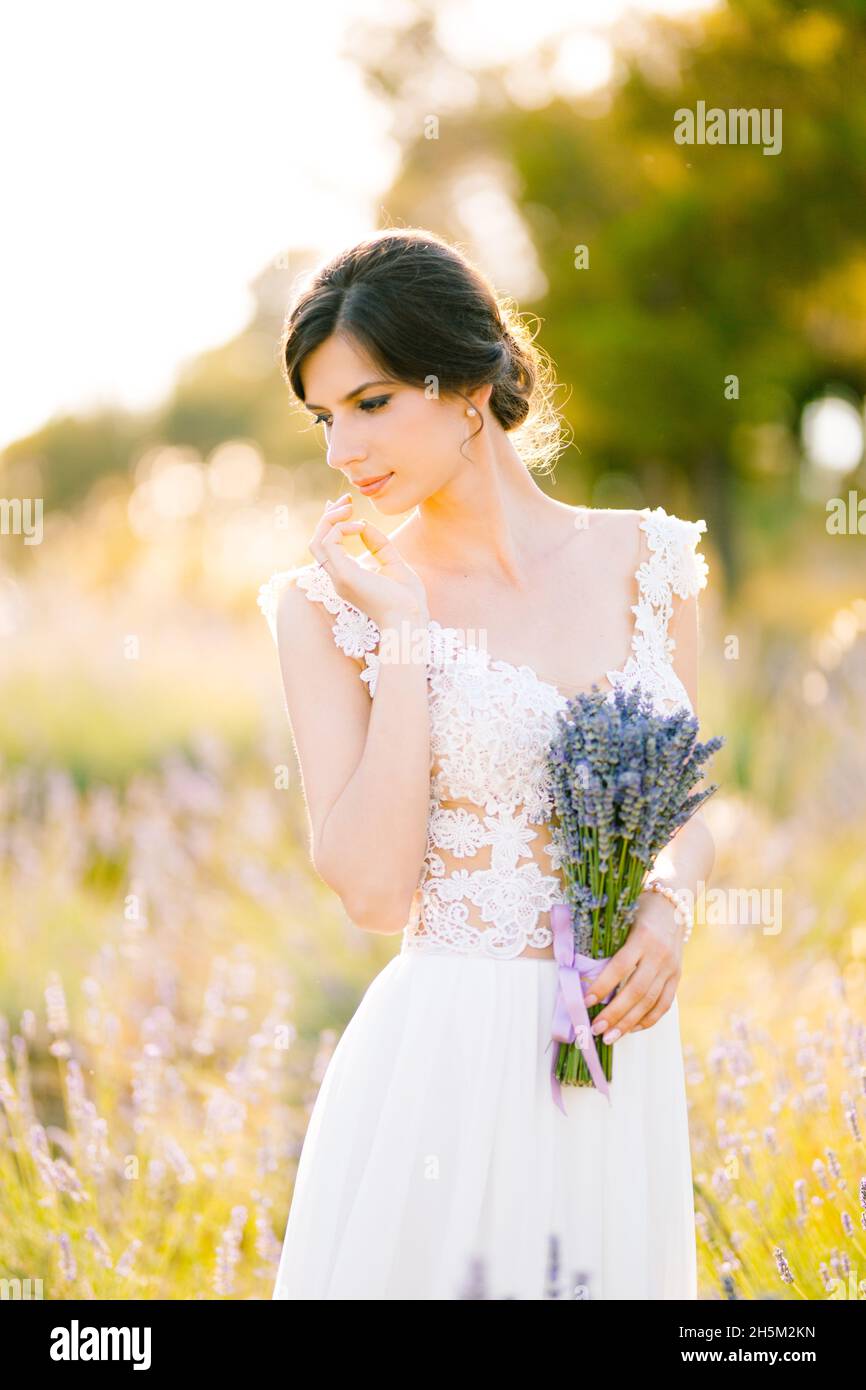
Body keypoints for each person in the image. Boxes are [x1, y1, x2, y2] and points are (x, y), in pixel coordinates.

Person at [258, 227, 715, 1300]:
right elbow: (371, 892)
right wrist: (406, 636)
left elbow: (693, 799)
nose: (341, 451)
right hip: (449, 1063)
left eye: (369, 404)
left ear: (469, 382)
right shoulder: (324, 609)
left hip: (616, 1055)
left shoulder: (652, 562)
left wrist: (668, 908)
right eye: (325, 419)